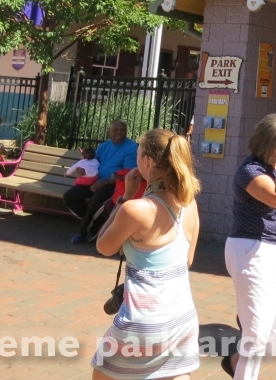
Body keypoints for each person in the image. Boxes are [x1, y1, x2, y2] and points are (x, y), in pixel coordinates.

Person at [92, 129, 202, 379]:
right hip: (181, 318)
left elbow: (103, 245)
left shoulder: (136, 209)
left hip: (143, 321)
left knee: (104, 372)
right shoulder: (190, 203)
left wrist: (125, 197)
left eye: (138, 153)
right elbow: (188, 259)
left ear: (147, 162)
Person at [223, 114, 276, 379]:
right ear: (275, 144)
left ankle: (236, 360)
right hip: (253, 252)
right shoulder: (250, 171)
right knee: (257, 333)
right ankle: (244, 368)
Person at [64, 120, 139, 244]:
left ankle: (82, 231)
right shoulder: (103, 146)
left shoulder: (131, 148)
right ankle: (97, 224)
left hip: (113, 184)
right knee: (70, 196)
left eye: (122, 130)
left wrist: (104, 183)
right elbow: (92, 163)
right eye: (116, 130)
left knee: (96, 199)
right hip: (94, 180)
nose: (119, 133)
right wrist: (82, 169)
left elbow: (127, 175)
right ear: (109, 131)